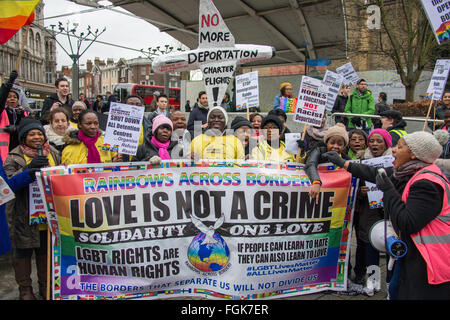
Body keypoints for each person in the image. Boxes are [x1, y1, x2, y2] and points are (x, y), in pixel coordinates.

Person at [322, 131, 450, 300]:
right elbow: (375, 172)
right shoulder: (408, 171)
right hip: (413, 253)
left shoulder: (426, 184)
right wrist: (343, 163)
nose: (394, 150)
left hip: (429, 261)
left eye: (400, 146)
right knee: (396, 290)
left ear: (413, 154)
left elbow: (407, 222)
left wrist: (388, 190)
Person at [4, 118, 61, 300]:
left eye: (39, 133)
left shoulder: (53, 152)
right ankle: (25, 291)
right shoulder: (13, 157)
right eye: (31, 134)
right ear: (23, 138)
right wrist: (28, 170)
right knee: (23, 253)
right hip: (24, 215)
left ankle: (46, 287)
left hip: (48, 215)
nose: (36, 137)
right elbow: (8, 186)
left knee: (45, 253)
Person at [353, 128, 393, 293]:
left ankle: (391, 283)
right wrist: (361, 192)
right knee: (371, 251)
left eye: (379, 141)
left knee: (392, 252)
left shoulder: (395, 161)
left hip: (390, 213)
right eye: (372, 141)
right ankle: (374, 283)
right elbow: (354, 187)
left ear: (386, 144)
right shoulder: (361, 161)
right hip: (369, 214)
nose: (375, 144)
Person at [305, 123, 351, 203]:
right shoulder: (318, 151)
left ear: (344, 146)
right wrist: (316, 181)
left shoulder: (346, 159)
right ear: (326, 143)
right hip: (316, 190)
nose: (335, 146)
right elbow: (311, 164)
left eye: (340, 144)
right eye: (332, 143)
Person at [0, 70, 32, 161]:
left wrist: (16, 128)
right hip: (5, 152)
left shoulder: (24, 113)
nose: (12, 99)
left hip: (21, 152)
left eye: (15, 97)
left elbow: (31, 128)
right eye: (9, 97)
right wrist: (9, 82)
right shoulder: (2, 112)